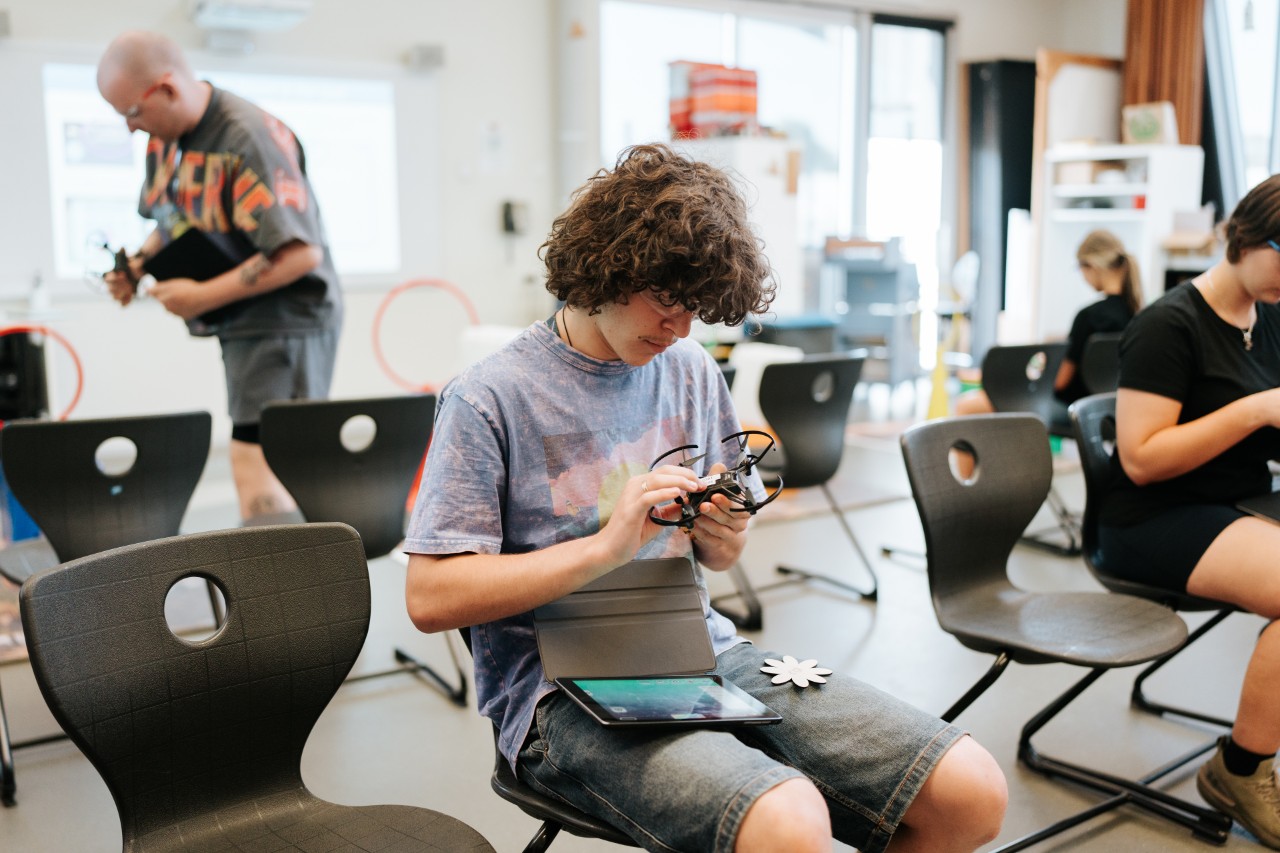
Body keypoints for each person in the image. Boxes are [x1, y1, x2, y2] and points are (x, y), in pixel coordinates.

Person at [403, 143, 1007, 853]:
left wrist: (723, 536)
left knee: (971, 791)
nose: (682, 328)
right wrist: (604, 549)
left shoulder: (688, 371)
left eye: (697, 310)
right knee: (789, 822)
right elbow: (430, 596)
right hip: (559, 690)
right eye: (667, 300)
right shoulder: (488, 397)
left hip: (699, 650)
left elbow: (723, 555)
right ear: (607, 266)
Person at [1098, 174, 1280, 847]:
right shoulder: (1168, 325)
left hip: (1236, 501)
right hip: (1151, 518)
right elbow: (1142, 458)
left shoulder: (1272, 315)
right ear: (1251, 237)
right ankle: (1240, 768)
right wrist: (1255, 409)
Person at [96, 31, 342, 521]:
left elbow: (299, 255)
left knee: (258, 456)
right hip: (242, 319)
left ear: (166, 88)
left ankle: (283, 589)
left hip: (287, 320)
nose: (130, 129)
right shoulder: (163, 139)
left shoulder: (246, 137)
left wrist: (201, 297)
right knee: (255, 455)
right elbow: (173, 222)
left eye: (131, 114)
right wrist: (137, 266)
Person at [954, 229, 1140, 416]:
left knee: (966, 405)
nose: (1083, 277)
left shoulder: (1089, 316)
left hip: (1072, 407)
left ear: (1092, 265)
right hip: (1109, 409)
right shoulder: (1135, 314)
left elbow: (1060, 381)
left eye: (1081, 269)